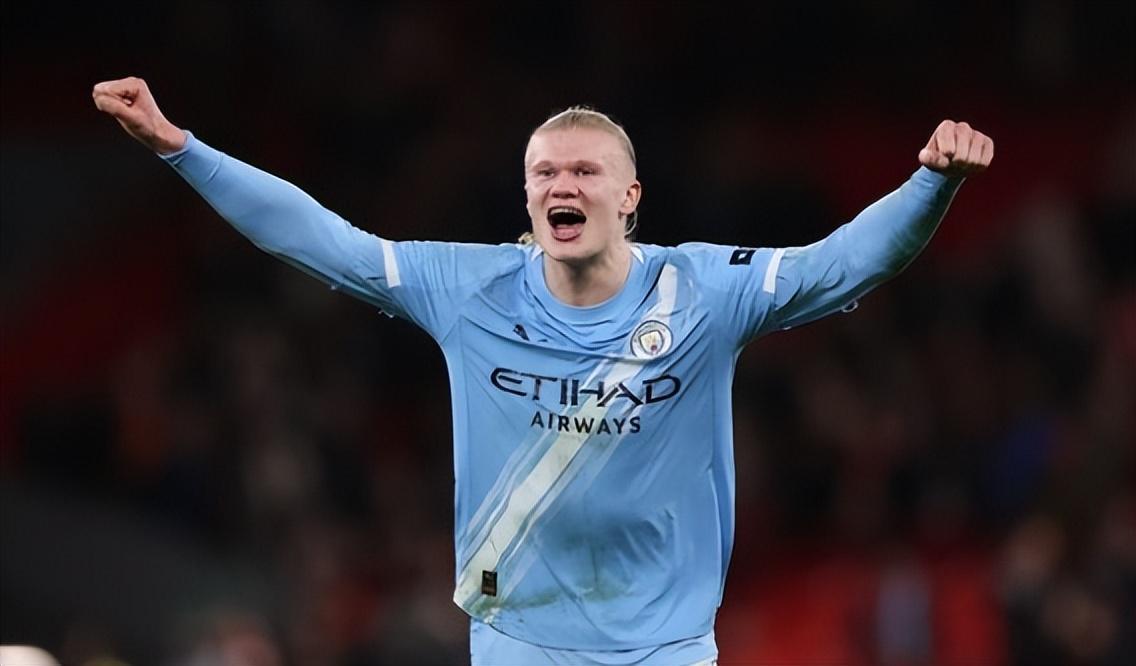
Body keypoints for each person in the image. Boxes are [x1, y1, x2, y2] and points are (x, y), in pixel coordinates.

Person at [93, 76, 992, 666]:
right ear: (527, 195)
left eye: (586, 171)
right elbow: (322, 240)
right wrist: (179, 145)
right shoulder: (468, 288)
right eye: (544, 172)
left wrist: (932, 184)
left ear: (629, 197)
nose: (563, 184)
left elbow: (842, 265)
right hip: (518, 637)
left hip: (665, 648)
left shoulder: (702, 292)